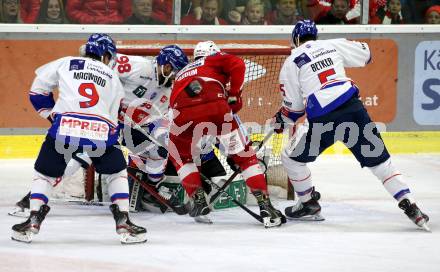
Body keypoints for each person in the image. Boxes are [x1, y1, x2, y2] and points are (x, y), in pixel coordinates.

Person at [275, 20, 430, 231]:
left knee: (291, 158)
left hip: (323, 119)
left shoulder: (292, 61)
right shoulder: (332, 45)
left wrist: (282, 119)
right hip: (352, 109)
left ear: (295, 39)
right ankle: (410, 205)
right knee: (381, 163)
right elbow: (366, 54)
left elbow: (294, 108)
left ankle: (308, 204)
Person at [11, 34, 147, 244]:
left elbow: (37, 90)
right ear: (106, 55)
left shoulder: (66, 62)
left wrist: (51, 114)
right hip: (100, 132)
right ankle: (123, 221)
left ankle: (33, 219)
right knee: (116, 172)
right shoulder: (112, 78)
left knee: (44, 175)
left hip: (65, 127)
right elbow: (114, 116)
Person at [168, 40, 286, 228]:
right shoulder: (213, 59)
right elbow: (238, 64)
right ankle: (265, 207)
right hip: (215, 108)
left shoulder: (183, 71)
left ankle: (197, 199)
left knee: (180, 157)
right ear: (214, 52)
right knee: (245, 158)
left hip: (180, 115)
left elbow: (174, 107)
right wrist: (234, 93)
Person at [66, 0, 132, 24]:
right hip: (88, 28)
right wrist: (91, 20)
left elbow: (127, 12)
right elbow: (72, 10)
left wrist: (115, 20)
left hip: (115, 27)